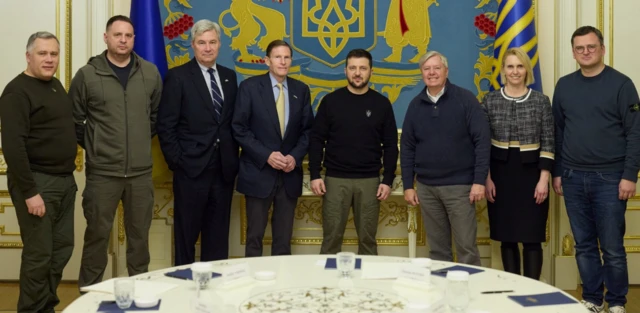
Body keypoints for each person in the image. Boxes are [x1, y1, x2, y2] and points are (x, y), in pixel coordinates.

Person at [69, 15, 163, 287]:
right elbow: (74, 120)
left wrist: (136, 143)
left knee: (139, 240)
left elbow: (155, 117)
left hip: (140, 174)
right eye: (118, 35)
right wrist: (97, 145)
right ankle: (89, 296)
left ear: (134, 39)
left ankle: (140, 296)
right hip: (103, 174)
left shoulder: (150, 72)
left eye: (129, 36)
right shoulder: (87, 75)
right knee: (97, 237)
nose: (123, 40)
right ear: (106, 38)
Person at [552, 26, 639, 313]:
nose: (586, 52)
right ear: (573, 52)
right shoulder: (564, 85)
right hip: (573, 177)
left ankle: (616, 302)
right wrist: (558, 172)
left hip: (611, 179)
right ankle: (592, 298)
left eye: (591, 47)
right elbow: (558, 132)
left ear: (602, 48)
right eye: (580, 48)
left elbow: (635, 133)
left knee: (612, 248)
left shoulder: (622, 85)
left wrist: (629, 175)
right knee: (584, 245)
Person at [0, 31, 77, 313]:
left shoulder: (55, 85)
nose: (49, 59)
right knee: (39, 256)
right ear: (28, 56)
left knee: (60, 251)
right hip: (37, 184)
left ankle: (47, 307)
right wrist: (31, 192)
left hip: (64, 183)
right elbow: (13, 146)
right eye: (42, 53)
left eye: (53, 54)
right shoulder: (16, 92)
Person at [157, 19, 239, 265]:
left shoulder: (229, 77)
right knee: (186, 236)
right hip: (191, 170)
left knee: (217, 237)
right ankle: (184, 287)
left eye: (212, 42)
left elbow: (230, 123)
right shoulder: (178, 77)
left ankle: (214, 291)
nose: (207, 48)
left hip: (223, 170)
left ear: (219, 45)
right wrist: (178, 162)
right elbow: (166, 125)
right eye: (202, 42)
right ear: (192, 45)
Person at [400, 51, 490, 265]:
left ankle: (471, 296)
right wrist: (408, 185)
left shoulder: (465, 99)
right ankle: (441, 296)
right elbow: (407, 147)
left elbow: (482, 141)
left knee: (466, 249)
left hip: (460, 188)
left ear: (446, 71)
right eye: (427, 69)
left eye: (436, 68)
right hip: (426, 189)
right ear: (422, 73)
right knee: (438, 252)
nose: (432, 73)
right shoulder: (415, 105)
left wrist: (479, 181)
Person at [309, 49, 398, 255]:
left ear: (371, 72)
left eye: (362, 68)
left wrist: (387, 180)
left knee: (368, 240)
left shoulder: (382, 104)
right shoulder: (330, 102)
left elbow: (391, 145)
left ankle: (367, 286)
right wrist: (315, 174)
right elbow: (316, 140)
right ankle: (328, 286)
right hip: (334, 180)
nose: (357, 73)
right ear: (345, 70)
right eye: (353, 68)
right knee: (331, 239)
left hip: (370, 182)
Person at [232, 40, 314, 257]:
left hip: (289, 175)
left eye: (287, 57)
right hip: (258, 173)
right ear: (267, 61)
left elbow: (308, 131)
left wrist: (294, 158)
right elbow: (239, 129)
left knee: (283, 240)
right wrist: (266, 155)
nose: (283, 61)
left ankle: (282, 287)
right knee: (254, 237)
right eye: (278, 57)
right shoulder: (249, 88)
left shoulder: (301, 90)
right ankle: (253, 288)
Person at [480, 47, 554, 280]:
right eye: (510, 66)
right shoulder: (489, 100)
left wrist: (544, 180)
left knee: (532, 238)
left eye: (520, 66)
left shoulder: (541, 101)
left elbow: (549, 142)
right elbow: (482, 145)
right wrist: (487, 178)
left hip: (532, 176)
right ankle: (514, 289)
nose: (515, 71)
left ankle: (532, 291)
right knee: (507, 236)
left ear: (527, 70)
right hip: (500, 176)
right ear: (503, 70)